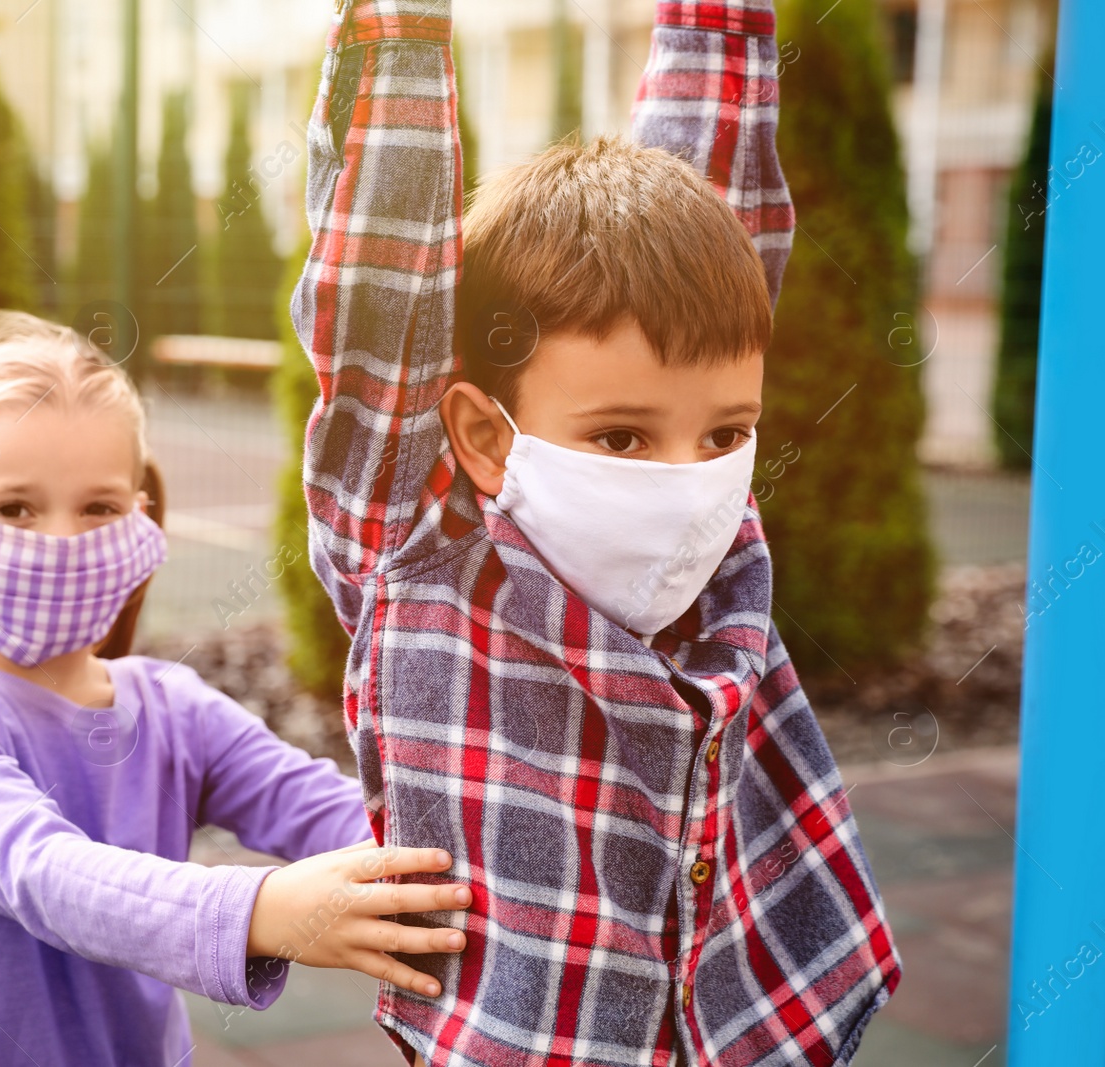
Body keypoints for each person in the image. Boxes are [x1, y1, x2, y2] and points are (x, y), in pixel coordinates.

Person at [293, 0, 902, 1064]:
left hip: (763, 1013)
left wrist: (714, 24)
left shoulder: (712, 505)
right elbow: (376, 305)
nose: (688, 479)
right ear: (484, 433)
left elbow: (715, 224)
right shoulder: (418, 551)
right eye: (620, 436)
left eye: (726, 432)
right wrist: (401, 26)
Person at [0, 309, 473, 1065]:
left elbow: (323, 807)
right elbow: (42, 871)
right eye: (12, 508)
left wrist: (453, 872)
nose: (59, 542)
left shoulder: (170, 705)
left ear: (139, 519)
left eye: (99, 507)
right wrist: (262, 909)